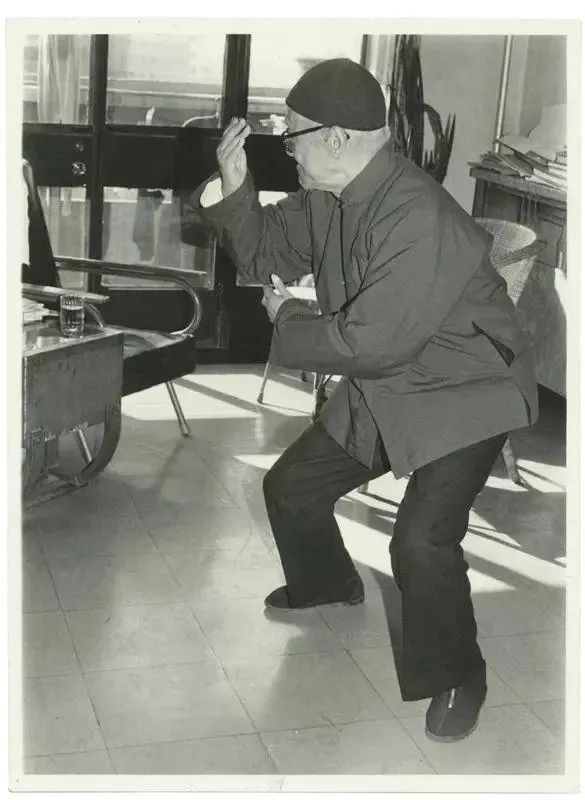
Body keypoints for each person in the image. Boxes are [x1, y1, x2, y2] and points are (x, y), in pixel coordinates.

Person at [183, 58, 538, 743]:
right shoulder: (330, 193)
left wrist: (289, 318)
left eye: (292, 136)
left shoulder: (416, 215)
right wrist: (235, 184)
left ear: (337, 138)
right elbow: (264, 255)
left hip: (466, 391)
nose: (286, 149)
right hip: (391, 378)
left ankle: (461, 677)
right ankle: (327, 583)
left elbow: (372, 344)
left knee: (421, 541)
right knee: (292, 487)